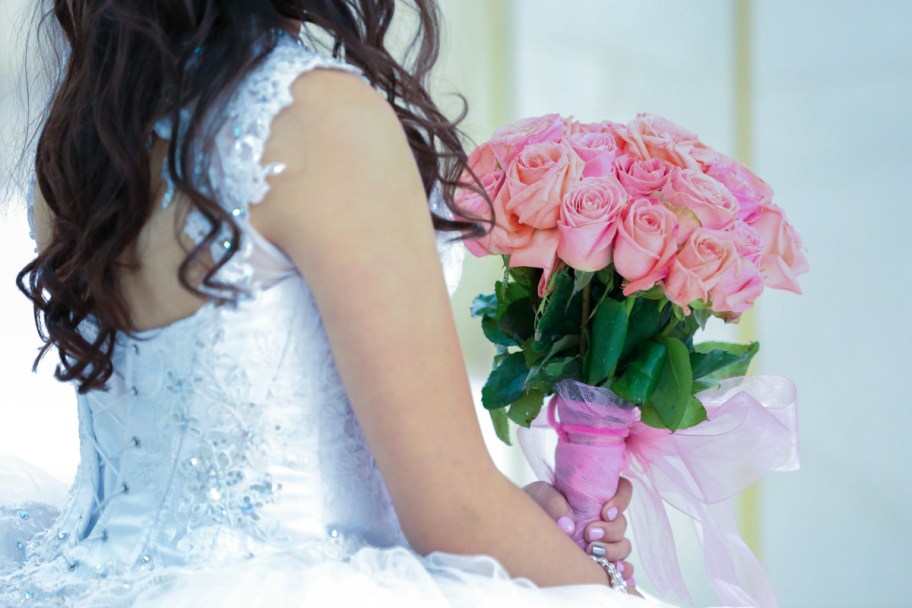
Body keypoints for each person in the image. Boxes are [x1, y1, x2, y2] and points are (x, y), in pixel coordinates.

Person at [1, 1, 671, 605]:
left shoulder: (88, 133)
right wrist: (599, 584)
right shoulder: (317, 117)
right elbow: (455, 515)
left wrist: (522, 534)